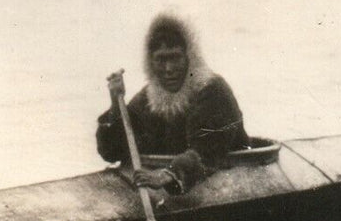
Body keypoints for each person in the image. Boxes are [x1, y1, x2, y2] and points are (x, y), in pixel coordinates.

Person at [97, 13, 249, 196]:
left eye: (175, 58)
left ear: (189, 57)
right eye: (161, 60)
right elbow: (112, 152)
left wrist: (169, 174)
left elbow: (207, 150)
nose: (168, 69)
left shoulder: (212, 90)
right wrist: (115, 103)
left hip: (230, 177)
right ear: (150, 63)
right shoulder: (146, 100)